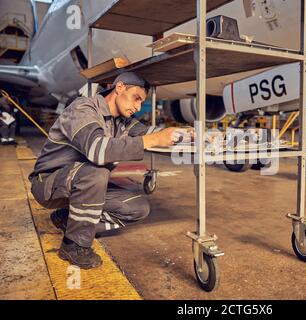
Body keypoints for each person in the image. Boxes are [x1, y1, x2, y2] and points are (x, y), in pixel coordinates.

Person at [28, 72, 191, 269]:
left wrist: (186, 133)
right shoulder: (83, 109)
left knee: (137, 208)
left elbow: (150, 133)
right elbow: (97, 150)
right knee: (97, 172)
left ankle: (67, 218)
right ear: (120, 87)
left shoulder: (122, 121)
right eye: (136, 98)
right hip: (49, 183)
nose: (138, 107)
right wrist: (154, 140)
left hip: (83, 184)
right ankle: (74, 245)